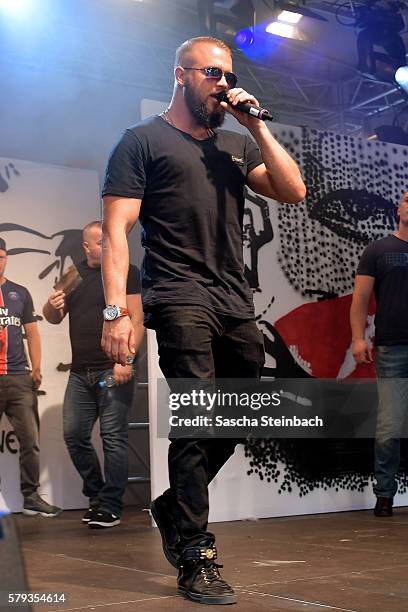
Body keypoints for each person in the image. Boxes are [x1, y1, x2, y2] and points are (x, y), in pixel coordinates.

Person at [101, 36, 305, 604]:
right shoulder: (141, 142)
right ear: (181, 75)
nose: (221, 83)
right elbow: (117, 231)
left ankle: (172, 507)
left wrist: (259, 125)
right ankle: (196, 554)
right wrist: (118, 310)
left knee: (241, 416)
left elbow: (293, 191)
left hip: (234, 300)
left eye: (227, 75)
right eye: (211, 74)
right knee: (197, 417)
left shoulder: (236, 145)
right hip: (177, 295)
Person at [43, 221, 144, 528]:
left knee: (113, 438)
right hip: (80, 372)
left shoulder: (127, 271)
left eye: (109, 241)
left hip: (112, 367)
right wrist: (51, 305)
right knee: (74, 436)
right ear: (86, 246)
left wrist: (126, 359)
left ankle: (111, 506)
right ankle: (97, 496)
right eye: (100, 242)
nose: (107, 246)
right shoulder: (72, 274)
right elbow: (53, 317)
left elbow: (137, 320)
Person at [350, 190, 408, 517]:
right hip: (392, 346)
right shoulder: (379, 249)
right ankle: (384, 494)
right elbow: (359, 301)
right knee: (390, 423)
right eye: (407, 198)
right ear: (399, 207)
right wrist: (359, 339)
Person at [0, 237, 62, 517]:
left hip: (18, 378)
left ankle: (31, 496)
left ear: (7, 258)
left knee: (30, 441)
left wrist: (36, 368)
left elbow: (32, 333)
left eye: (1, 256)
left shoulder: (19, 292)